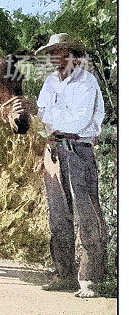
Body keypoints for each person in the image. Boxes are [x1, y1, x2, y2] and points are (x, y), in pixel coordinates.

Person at [35, 33, 107, 298]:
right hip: (54, 149)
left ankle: (90, 278)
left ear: (73, 55)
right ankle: (63, 274)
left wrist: (52, 118)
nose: (58, 58)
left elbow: (77, 122)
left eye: (63, 53)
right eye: (54, 53)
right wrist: (49, 121)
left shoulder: (87, 82)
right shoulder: (51, 81)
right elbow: (42, 115)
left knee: (86, 212)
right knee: (58, 213)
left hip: (79, 149)